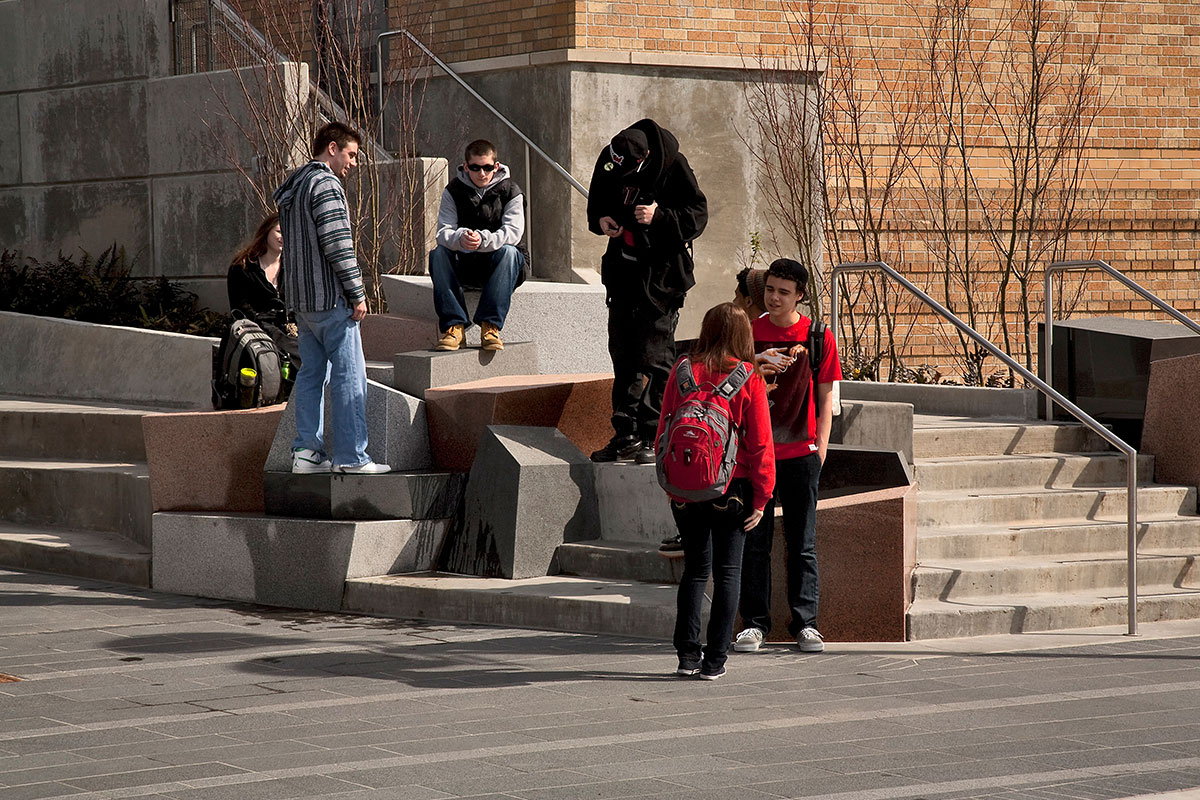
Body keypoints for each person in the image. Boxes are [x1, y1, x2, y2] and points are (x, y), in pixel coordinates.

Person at [658, 302, 774, 681]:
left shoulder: (682, 371)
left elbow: (663, 429)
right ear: (744, 336)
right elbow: (759, 444)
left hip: (686, 486)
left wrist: (671, 482)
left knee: (694, 571)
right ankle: (715, 661)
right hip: (732, 489)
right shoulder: (748, 377)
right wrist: (762, 496)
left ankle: (686, 657)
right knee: (727, 573)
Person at [734, 257, 842, 654]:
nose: (774, 297)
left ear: (800, 296)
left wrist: (821, 450)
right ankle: (754, 624)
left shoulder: (818, 336)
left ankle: (806, 623)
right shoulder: (747, 333)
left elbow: (827, 396)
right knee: (754, 541)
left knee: (802, 542)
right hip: (754, 456)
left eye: (784, 291)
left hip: (801, 453)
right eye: (769, 289)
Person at [587, 118, 708, 464]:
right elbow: (598, 201)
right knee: (623, 353)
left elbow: (697, 215)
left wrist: (659, 217)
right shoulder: (611, 157)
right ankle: (625, 433)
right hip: (623, 271)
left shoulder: (672, 166)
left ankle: (656, 433)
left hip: (660, 276)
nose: (620, 172)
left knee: (655, 357)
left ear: (646, 158)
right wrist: (601, 220)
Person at [273, 121, 389, 475]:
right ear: (332, 148)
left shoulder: (293, 188)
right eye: (351, 154)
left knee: (311, 376)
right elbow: (338, 244)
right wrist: (357, 293)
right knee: (350, 376)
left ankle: (307, 454)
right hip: (330, 299)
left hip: (303, 304)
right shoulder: (326, 183)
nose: (353, 162)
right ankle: (353, 458)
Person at [430, 138, 529, 352]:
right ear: (466, 166)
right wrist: (461, 238)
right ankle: (454, 326)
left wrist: (482, 240)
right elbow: (443, 232)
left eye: (486, 167)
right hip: (466, 262)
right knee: (438, 254)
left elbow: (513, 233)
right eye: (475, 167)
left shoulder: (512, 191)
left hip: (501, 266)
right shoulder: (453, 191)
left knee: (510, 252)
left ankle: (490, 326)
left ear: (496, 166)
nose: (481, 173)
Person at [226, 212, 300, 367]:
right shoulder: (243, 268)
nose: (283, 237)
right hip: (257, 331)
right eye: (279, 231)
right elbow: (241, 308)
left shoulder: (293, 267)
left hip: (291, 332)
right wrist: (268, 329)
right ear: (266, 231)